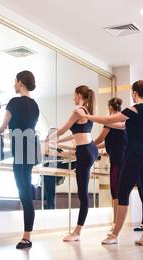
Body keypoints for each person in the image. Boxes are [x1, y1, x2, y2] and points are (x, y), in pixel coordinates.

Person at [82, 81, 143, 246]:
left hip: (136, 156)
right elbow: (119, 124)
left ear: (134, 93)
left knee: (122, 193)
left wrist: (88, 117)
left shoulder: (134, 108)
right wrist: (105, 123)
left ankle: (114, 235)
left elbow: (109, 118)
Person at [47, 85, 98, 242]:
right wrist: (57, 141)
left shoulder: (77, 111)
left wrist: (47, 139)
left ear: (79, 95)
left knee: (82, 194)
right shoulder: (87, 112)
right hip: (89, 149)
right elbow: (75, 134)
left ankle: (77, 232)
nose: (72, 98)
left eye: (74, 95)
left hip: (85, 152)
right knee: (82, 193)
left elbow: (62, 129)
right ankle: (78, 230)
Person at [0, 71, 40, 249]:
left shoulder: (14, 102)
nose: (14, 85)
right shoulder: (35, 105)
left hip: (21, 148)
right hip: (31, 147)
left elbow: (2, 127)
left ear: (21, 83)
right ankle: (27, 235)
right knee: (25, 191)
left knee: (23, 192)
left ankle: (27, 237)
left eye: (15, 81)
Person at [93, 98, 127, 230]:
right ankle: (116, 222)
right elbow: (106, 142)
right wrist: (95, 146)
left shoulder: (111, 122)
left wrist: (86, 145)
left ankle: (115, 223)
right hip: (123, 159)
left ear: (110, 108)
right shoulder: (122, 122)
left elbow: (100, 139)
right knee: (119, 192)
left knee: (115, 192)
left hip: (118, 161)